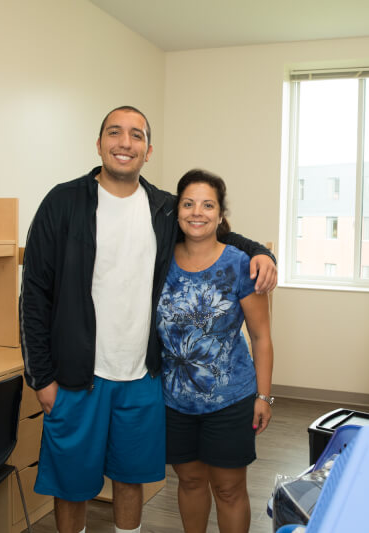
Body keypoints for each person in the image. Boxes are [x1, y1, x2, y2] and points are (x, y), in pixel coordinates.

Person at [19, 106, 277, 533]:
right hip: (75, 377)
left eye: (136, 135)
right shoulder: (63, 202)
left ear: (148, 150)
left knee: (130, 477)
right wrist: (40, 375)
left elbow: (215, 229)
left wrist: (262, 253)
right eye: (115, 133)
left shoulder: (163, 207)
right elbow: (34, 295)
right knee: (72, 485)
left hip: (143, 377)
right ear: (99, 143)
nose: (125, 143)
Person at [157, 169, 274, 533]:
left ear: (221, 214)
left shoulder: (241, 264)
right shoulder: (160, 261)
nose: (197, 212)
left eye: (208, 205)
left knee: (228, 488)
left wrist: (264, 397)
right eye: (189, 204)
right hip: (174, 399)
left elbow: (261, 337)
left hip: (230, 399)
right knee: (189, 482)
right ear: (177, 211)